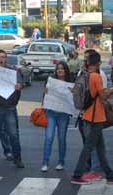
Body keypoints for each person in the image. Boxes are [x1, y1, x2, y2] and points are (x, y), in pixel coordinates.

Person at [71, 51, 113, 185]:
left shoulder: (84, 75)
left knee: (100, 148)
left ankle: (109, 175)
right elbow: (103, 96)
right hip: (96, 117)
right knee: (88, 147)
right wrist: (111, 89)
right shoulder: (96, 76)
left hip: (88, 114)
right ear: (98, 63)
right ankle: (77, 175)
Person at [0, 50, 24, 168]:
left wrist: (19, 86)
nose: (1, 59)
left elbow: (20, 84)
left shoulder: (13, 71)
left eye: (3, 57)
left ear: (6, 58)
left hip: (9, 107)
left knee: (13, 134)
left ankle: (17, 158)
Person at [41, 62, 72, 172]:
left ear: (66, 70)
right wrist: (45, 93)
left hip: (63, 114)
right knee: (49, 137)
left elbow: (73, 99)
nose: (60, 70)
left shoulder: (70, 82)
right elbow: (45, 95)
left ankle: (61, 161)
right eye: (58, 69)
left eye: (62, 69)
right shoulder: (51, 80)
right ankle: (45, 162)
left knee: (61, 138)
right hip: (51, 112)